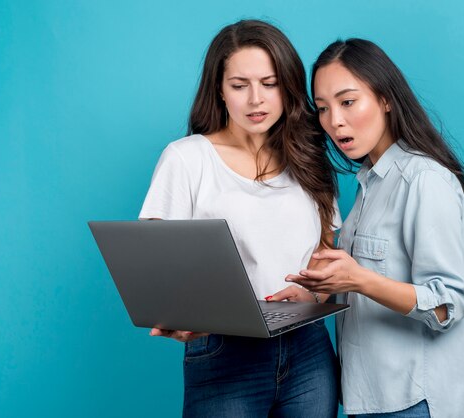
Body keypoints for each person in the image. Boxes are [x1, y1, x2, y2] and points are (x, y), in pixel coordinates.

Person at [277, 39, 464, 418]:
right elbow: (368, 286)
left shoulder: (425, 180)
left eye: (348, 102)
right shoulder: (369, 185)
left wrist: (358, 279)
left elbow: (449, 304)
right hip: (367, 397)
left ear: (386, 99)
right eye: (324, 109)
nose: (334, 121)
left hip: (414, 401)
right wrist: (316, 297)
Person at [138, 20, 340, 418]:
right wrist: (178, 315)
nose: (255, 99)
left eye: (269, 83)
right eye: (239, 84)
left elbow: (326, 248)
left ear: (288, 86)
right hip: (224, 349)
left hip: (308, 348)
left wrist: (314, 295)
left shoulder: (309, 157)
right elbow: (155, 261)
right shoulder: (187, 158)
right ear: (219, 89)